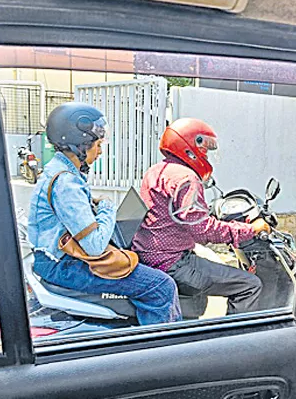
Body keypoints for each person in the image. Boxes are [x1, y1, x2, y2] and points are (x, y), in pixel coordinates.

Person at [28, 102, 182, 325]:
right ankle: (160, 354)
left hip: (56, 260)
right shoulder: (66, 183)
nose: (100, 151)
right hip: (62, 266)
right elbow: (95, 246)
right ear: (80, 145)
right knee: (161, 287)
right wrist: (107, 207)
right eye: (97, 144)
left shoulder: (62, 172)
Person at [131, 118, 270, 315]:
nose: (206, 156)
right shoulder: (186, 178)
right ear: (190, 147)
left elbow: (177, 215)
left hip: (150, 254)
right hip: (172, 262)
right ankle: (235, 342)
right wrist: (250, 229)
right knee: (249, 285)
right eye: (204, 150)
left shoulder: (157, 171)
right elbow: (201, 229)